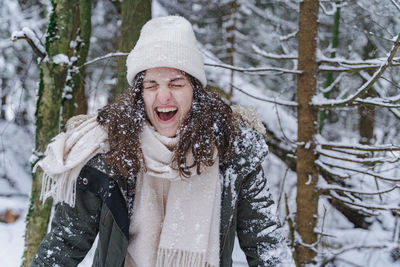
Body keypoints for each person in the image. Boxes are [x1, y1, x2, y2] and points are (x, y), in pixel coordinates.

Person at [30, 16, 291, 267]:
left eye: (176, 84)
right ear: (139, 95)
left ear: (195, 91)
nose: (163, 96)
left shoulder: (232, 150)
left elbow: (266, 241)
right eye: (151, 85)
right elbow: (64, 244)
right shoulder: (107, 153)